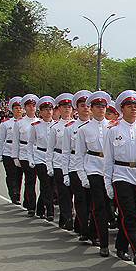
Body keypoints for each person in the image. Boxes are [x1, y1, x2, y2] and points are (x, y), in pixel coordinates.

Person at [103, 90, 136, 264]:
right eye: (130, 106)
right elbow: (108, 159)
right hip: (121, 175)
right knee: (128, 214)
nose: (133, 109)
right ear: (122, 109)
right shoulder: (113, 130)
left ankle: (121, 246)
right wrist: (108, 183)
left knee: (135, 214)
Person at [76, 91, 112, 256]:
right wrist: (83, 176)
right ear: (91, 108)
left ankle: (92, 230)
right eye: (97, 106)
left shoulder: (113, 127)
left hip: (109, 170)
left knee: (107, 205)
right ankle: (102, 240)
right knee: (99, 206)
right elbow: (79, 155)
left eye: (103, 106)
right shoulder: (84, 129)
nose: (101, 109)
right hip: (93, 169)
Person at [65, 90, 92, 241]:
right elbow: (66, 152)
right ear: (77, 108)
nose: (85, 108)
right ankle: (84, 230)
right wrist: (65, 172)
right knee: (80, 199)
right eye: (82, 105)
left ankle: (81, 224)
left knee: (91, 200)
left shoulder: (99, 126)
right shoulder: (70, 128)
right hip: (75, 167)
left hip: (92, 167)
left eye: (88, 105)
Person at [48, 93, 74, 229]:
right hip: (58, 162)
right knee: (63, 192)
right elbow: (50, 149)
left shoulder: (77, 126)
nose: (67, 109)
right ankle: (67, 217)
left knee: (72, 192)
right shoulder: (55, 127)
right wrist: (49, 165)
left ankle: (68, 217)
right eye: (64, 107)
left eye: (69, 106)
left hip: (74, 162)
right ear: (59, 109)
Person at [29, 96, 56, 221]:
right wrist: (31, 158)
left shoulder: (57, 126)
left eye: (50, 109)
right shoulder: (35, 126)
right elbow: (30, 143)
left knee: (50, 185)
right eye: (45, 109)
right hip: (40, 156)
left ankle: (40, 207)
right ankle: (50, 211)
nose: (48, 112)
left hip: (53, 158)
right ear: (41, 111)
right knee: (45, 184)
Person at [0, 97, 24, 205]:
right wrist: (0, 154)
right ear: (12, 110)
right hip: (8, 152)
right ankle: (14, 194)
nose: (18, 110)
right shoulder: (6, 124)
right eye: (16, 108)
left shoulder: (25, 123)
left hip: (20, 152)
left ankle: (18, 193)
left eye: (20, 108)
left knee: (19, 175)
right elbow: (0, 140)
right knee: (11, 174)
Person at [17, 94, 39, 216]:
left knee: (37, 181)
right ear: (25, 108)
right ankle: (31, 206)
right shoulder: (20, 123)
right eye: (29, 106)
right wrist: (16, 156)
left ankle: (28, 200)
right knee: (30, 180)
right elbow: (16, 141)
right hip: (25, 153)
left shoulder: (40, 122)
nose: (31, 108)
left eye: (33, 105)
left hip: (39, 154)